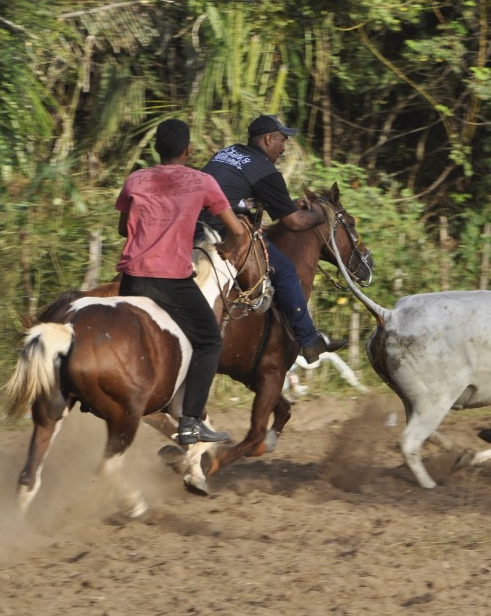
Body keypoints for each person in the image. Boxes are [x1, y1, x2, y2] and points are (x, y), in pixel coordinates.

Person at [115, 118, 249, 445]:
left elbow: (123, 228)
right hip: (171, 281)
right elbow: (239, 230)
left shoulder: (135, 180)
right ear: (188, 150)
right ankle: (190, 421)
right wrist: (229, 249)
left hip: (131, 280)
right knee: (209, 340)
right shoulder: (202, 182)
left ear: (156, 149)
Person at [200, 114, 345, 363]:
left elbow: (237, 193)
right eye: (282, 140)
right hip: (223, 231)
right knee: (286, 270)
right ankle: (309, 341)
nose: (284, 147)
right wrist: (321, 216)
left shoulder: (228, 152)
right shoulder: (265, 170)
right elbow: (295, 223)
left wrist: (289, 205)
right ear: (269, 139)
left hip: (190, 224)